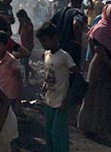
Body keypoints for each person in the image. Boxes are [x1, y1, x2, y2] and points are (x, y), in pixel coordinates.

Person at [78, 4, 111, 141]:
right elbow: (100, 50)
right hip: (102, 66)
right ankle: (94, 128)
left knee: (109, 97)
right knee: (98, 98)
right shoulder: (102, 29)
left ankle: (106, 126)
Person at [37, 22, 80, 152]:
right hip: (49, 99)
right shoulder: (46, 55)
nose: (43, 44)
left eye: (45, 40)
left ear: (55, 38)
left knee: (58, 134)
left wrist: (69, 97)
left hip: (61, 100)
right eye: (41, 42)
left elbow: (77, 75)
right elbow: (49, 73)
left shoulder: (64, 56)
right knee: (49, 132)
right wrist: (45, 84)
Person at [0, 32, 24, 119]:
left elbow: (19, 80)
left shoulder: (11, 61)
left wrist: (18, 101)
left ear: (5, 45)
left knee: (9, 118)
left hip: (10, 96)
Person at [50, 0, 87, 67]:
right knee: (73, 71)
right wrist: (79, 41)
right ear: (79, 2)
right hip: (72, 49)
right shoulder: (77, 13)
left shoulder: (60, 12)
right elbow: (76, 24)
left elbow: (50, 24)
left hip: (60, 48)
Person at [16, 9, 35, 84]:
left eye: (19, 18)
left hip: (29, 46)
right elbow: (19, 32)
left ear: (23, 16)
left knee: (25, 62)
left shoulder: (28, 23)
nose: (19, 20)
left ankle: (27, 79)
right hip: (23, 45)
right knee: (22, 62)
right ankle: (32, 71)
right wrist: (21, 24)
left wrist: (23, 25)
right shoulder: (22, 23)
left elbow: (28, 33)